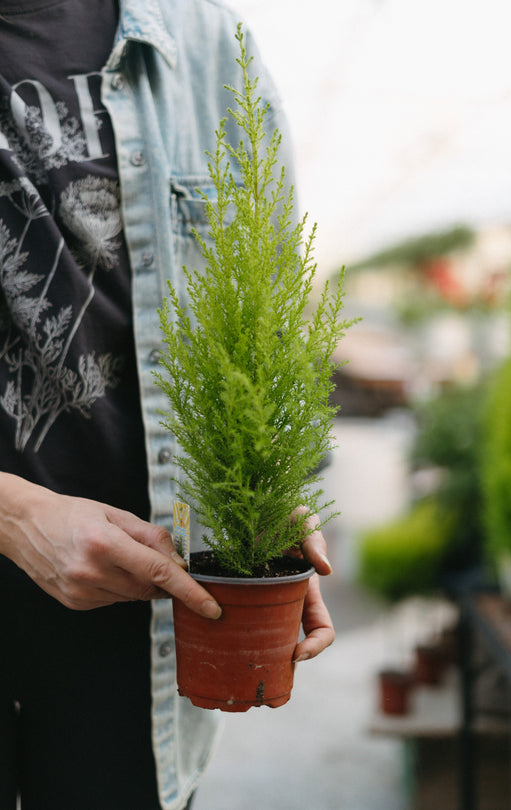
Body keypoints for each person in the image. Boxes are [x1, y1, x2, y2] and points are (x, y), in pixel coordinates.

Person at [0, 0, 335, 808]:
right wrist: (13, 515)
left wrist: (261, 497)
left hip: (128, 625)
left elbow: (263, 308)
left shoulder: (200, 41)